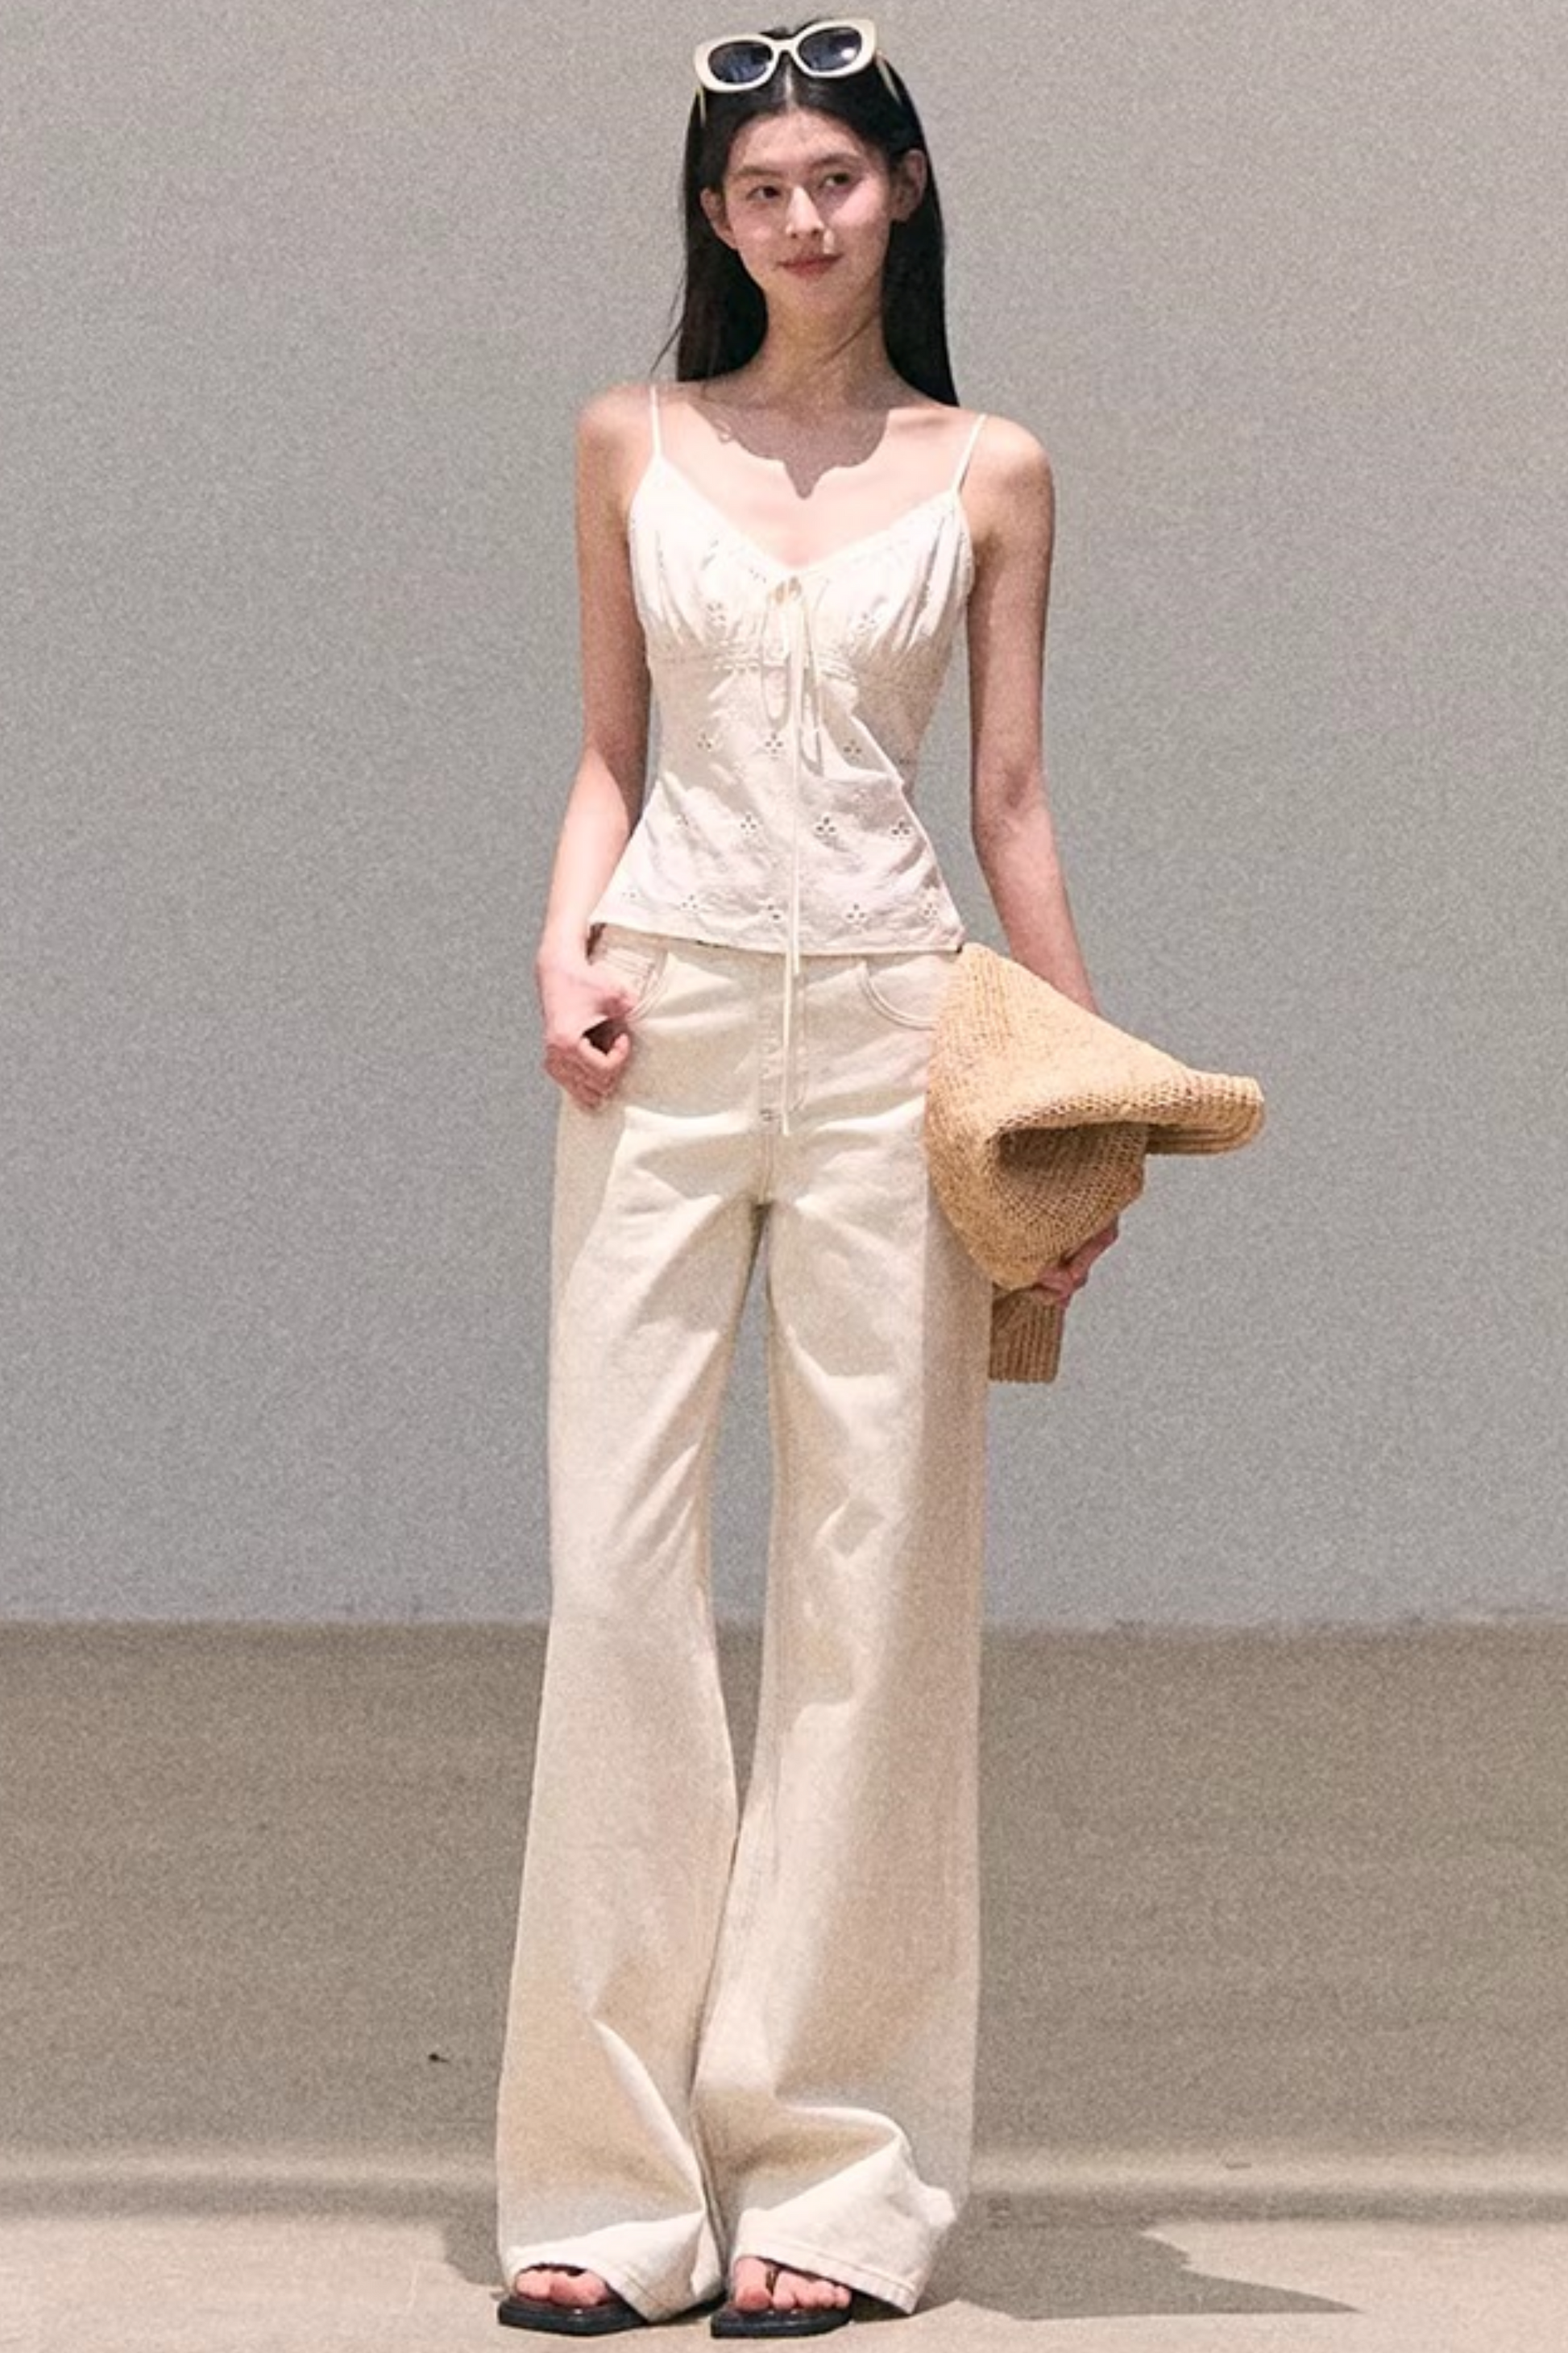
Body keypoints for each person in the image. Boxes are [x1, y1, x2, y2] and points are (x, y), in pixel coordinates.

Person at [494, 18, 1119, 2339]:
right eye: (758, 188)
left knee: (876, 1588)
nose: (800, 219)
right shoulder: (629, 438)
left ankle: (837, 2182)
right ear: (716, 217)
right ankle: (606, 2183)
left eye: (833, 179)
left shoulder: (991, 469)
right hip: (657, 1032)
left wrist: (1081, 1099)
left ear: (904, 189)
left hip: (886, 1034)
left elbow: (1012, 803)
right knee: (615, 1578)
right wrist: (559, 946)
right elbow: (606, 749)